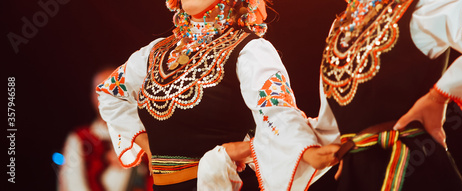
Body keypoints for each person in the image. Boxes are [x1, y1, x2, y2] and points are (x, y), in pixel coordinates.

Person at [96, 0, 336, 190]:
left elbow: (278, 117)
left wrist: (238, 152)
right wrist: (149, 148)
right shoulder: (155, 53)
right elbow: (110, 94)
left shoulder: (250, 50)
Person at [309, 0, 462, 190]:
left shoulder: (421, 5)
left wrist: (438, 96)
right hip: (357, 178)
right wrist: (307, 152)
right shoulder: (340, 30)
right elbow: (330, 127)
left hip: (415, 170)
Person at [59, 67, 152, 191]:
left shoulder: (145, 134)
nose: (108, 97)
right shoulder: (80, 139)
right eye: (100, 92)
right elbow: (73, 185)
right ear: (92, 97)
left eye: (114, 90)